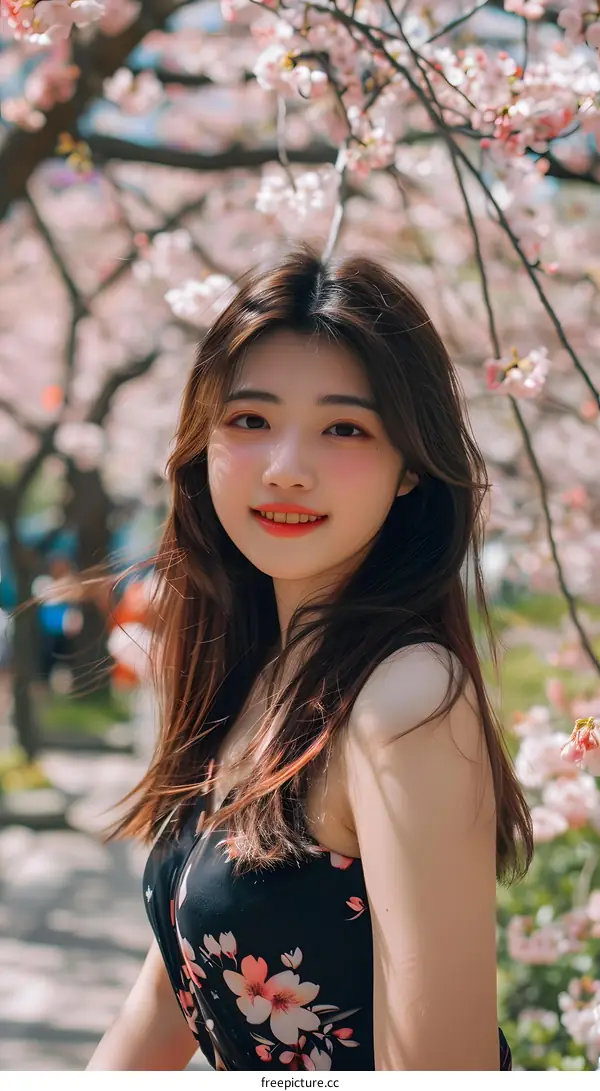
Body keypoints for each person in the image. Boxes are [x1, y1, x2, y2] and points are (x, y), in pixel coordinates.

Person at [87, 248, 533, 1072]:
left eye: (344, 428)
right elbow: (161, 1005)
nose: (287, 468)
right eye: (250, 419)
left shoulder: (404, 698)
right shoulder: (258, 677)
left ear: (409, 468)